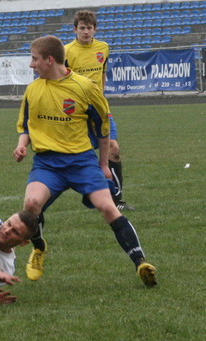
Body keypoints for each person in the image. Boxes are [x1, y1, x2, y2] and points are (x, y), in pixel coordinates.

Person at [13, 36, 156, 287]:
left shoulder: (85, 88)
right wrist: (21, 145)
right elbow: (25, 125)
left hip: (82, 162)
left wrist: (103, 166)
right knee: (31, 204)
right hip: (47, 163)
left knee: (109, 208)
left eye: (34, 59)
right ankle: (39, 249)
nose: (31, 65)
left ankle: (141, 263)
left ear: (49, 60)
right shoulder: (33, 89)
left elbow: (103, 131)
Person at [64, 10, 133, 211]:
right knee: (80, 155)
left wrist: (100, 97)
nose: (86, 32)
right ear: (75, 29)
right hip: (77, 112)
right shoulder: (66, 51)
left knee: (113, 148)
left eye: (89, 28)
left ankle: (117, 200)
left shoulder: (103, 48)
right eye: (82, 28)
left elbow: (102, 73)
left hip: (100, 109)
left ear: (95, 29)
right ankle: (90, 193)